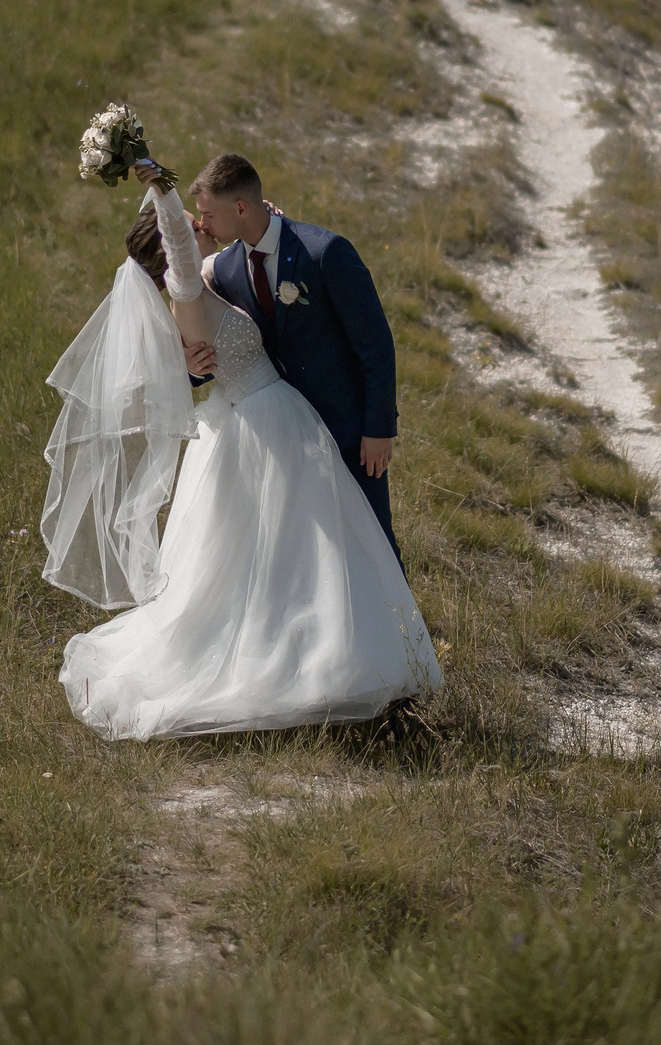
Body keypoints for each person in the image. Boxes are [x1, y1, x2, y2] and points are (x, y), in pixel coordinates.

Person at [41, 168, 440, 740]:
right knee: (295, 552)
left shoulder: (208, 277)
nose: (199, 226)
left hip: (262, 422)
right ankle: (325, 669)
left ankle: (331, 656)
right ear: (172, 240)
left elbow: (233, 262)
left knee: (279, 555)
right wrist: (156, 179)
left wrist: (259, 218)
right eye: (189, 223)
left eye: (205, 217)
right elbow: (183, 246)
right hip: (260, 424)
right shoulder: (185, 282)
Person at [190, 153, 403, 564]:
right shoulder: (226, 269)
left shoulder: (325, 253)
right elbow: (227, 344)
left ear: (240, 207)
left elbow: (375, 345)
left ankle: (402, 628)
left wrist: (379, 429)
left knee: (373, 542)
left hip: (347, 433)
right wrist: (193, 369)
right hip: (279, 437)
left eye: (208, 214)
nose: (204, 225)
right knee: (304, 552)